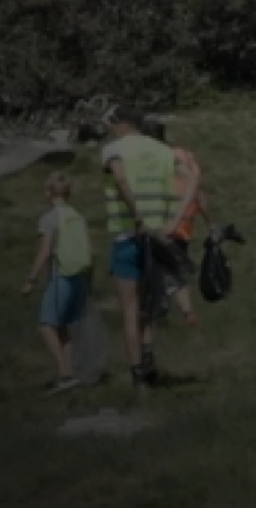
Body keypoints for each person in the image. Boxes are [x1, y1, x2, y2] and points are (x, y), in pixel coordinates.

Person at [100, 106, 197, 390]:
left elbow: (120, 178)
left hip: (128, 235)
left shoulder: (114, 150)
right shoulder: (162, 150)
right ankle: (149, 360)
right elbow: (191, 180)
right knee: (148, 304)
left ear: (122, 123)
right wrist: (176, 219)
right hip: (159, 236)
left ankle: (137, 371)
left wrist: (137, 214)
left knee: (130, 308)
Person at [20, 172, 93, 394]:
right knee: (62, 327)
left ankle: (64, 374)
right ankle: (69, 374)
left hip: (61, 276)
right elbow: (89, 251)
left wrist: (31, 279)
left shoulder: (49, 219)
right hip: (79, 275)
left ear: (48, 193)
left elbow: (45, 251)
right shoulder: (78, 216)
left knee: (46, 326)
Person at [144, 117, 207, 326]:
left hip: (165, 221)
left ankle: (157, 309)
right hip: (185, 222)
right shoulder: (185, 156)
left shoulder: (158, 159)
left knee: (157, 267)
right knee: (175, 268)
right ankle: (187, 312)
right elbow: (197, 190)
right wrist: (208, 220)